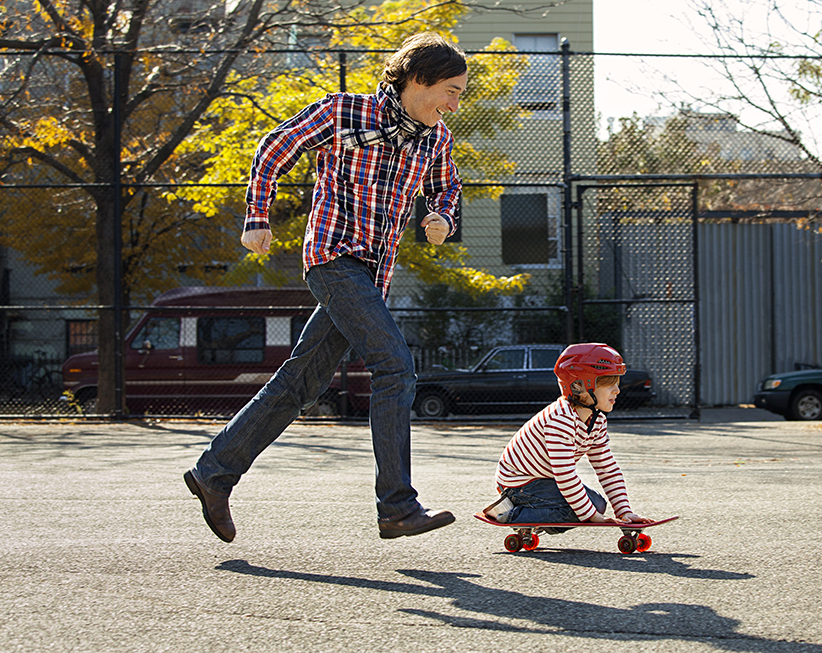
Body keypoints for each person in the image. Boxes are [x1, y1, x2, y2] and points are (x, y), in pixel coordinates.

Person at [183, 32, 467, 543]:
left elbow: (447, 185)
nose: (454, 102)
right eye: (450, 89)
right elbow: (275, 147)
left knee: (301, 383)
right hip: (333, 258)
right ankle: (397, 506)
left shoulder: (435, 137)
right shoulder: (344, 112)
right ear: (418, 80)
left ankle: (214, 473)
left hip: (373, 274)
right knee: (395, 367)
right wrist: (256, 216)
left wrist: (441, 214)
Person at [484, 343, 653, 530]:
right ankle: (508, 513)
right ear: (579, 386)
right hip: (518, 483)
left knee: (597, 505)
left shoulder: (596, 420)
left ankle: (539, 517)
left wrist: (624, 511)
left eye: (617, 383)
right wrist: (592, 517)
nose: (617, 390)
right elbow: (565, 475)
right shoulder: (560, 419)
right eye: (608, 383)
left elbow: (607, 468)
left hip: (544, 480)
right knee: (584, 511)